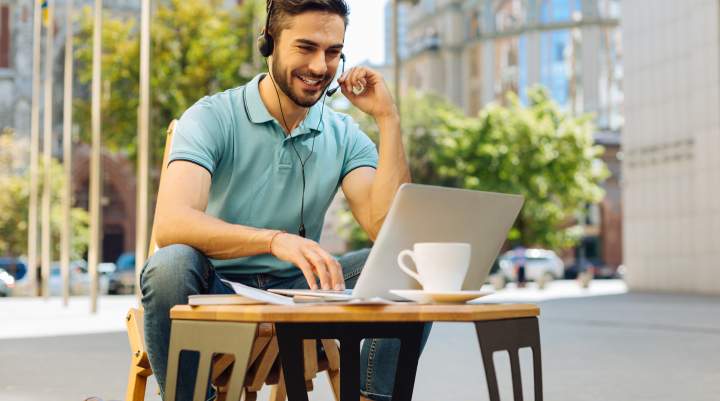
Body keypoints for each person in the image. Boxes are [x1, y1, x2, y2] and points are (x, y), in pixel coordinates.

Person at [140, 1, 430, 400]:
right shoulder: (212, 116)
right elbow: (171, 223)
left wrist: (388, 119)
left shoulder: (343, 134)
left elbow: (388, 231)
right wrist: (275, 240)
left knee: (411, 264)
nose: (319, 66)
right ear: (269, 42)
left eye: (333, 52)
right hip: (216, 288)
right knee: (168, 265)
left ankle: (374, 397)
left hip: (304, 290)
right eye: (306, 47)